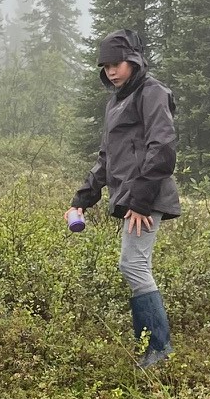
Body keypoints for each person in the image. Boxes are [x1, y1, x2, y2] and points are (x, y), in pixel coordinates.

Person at [68, 31, 179, 367]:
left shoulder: (152, 93)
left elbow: (163, 148)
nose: (110, 72)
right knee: (134, 264)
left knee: (133, 264)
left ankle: (158, 349)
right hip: (134, 197)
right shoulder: (116, 101)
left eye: (115, 64)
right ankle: (150, 347)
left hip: (146, 197)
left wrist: (141, 200)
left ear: (132, 60)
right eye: (105, 66)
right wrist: (82, 199)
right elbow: (107, 157)